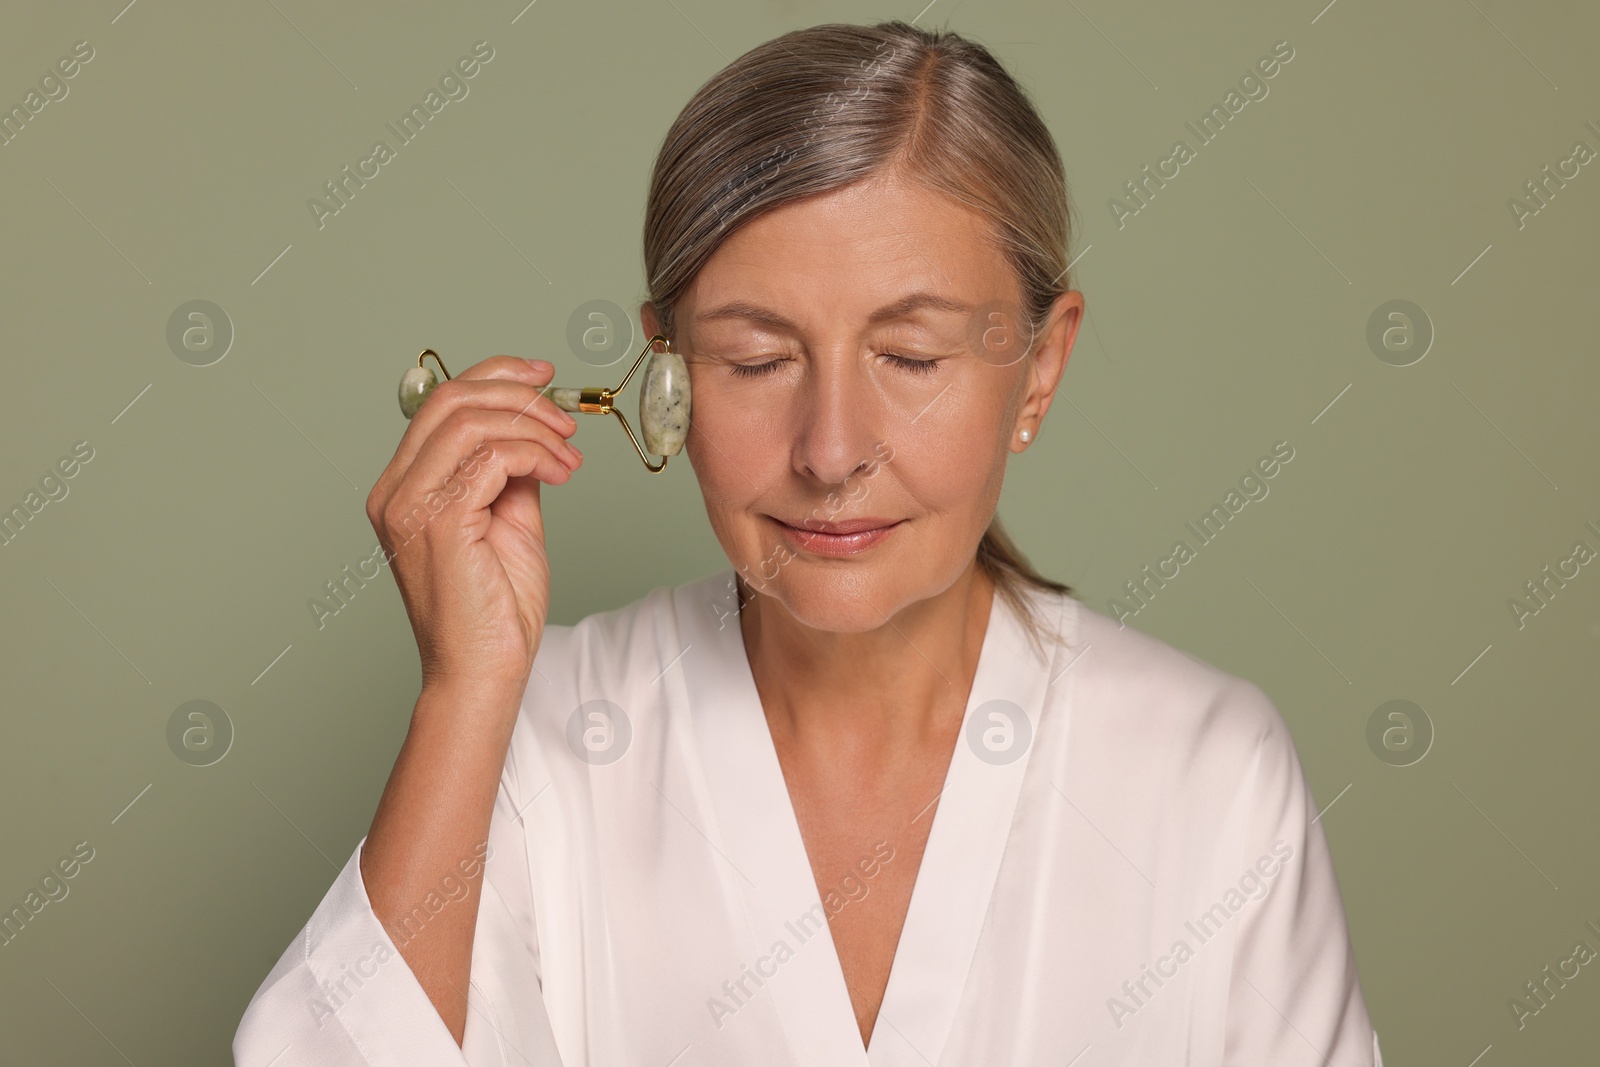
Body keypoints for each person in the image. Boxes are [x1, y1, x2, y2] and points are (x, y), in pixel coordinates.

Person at [233, 19, 1383, 1067]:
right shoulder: (541, 741)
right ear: (666, 371)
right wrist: (465, 687)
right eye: (754, 359)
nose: (830, 450)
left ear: (1039, 364)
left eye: (913, 358)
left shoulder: (1207, 772)